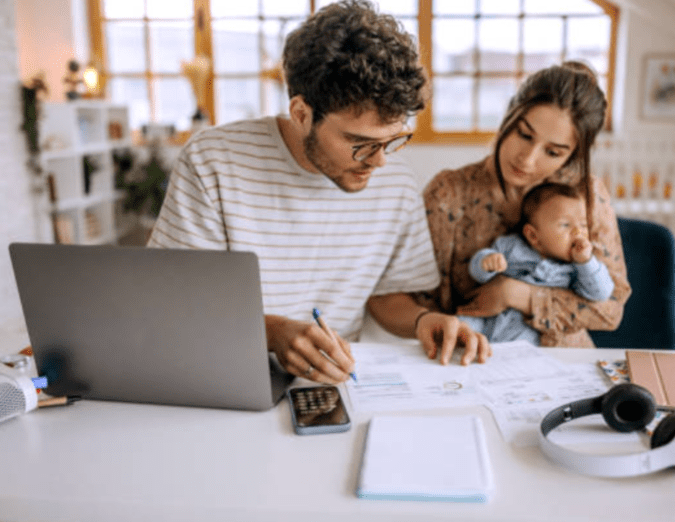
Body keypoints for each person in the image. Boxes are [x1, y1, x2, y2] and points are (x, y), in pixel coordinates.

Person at [147, 0, 490, 384]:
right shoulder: (214, 161)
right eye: (360, 143)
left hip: (334, 384)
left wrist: (425, 320)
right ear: (301, 113)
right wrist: (274, 333)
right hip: (225, 374)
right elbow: (176, 303)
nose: (379, 162)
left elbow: (387, 296)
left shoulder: (395, 181)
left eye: (393, 140)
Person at [417, 61, 631, 348]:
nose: (527, 159)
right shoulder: (448, 193)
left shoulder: (587, 196)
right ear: (509, 115)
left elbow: (610, 310)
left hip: (563, 366)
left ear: (572, 155)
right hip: (470, 357)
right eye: (524, 135)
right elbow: (420, 301)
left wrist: (515, 294)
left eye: (553, 152)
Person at [458, 182, 615, 344]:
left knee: (524, 346)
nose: (578, 232)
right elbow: (478, 275)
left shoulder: (576, 269)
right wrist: (486, 262)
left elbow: (601, 293)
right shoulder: (511, 246)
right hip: (488, 318)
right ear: (533, 236)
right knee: (460, 325)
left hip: (527, 328)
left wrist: (586, 262)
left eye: (583, 225)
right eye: (565, 225)